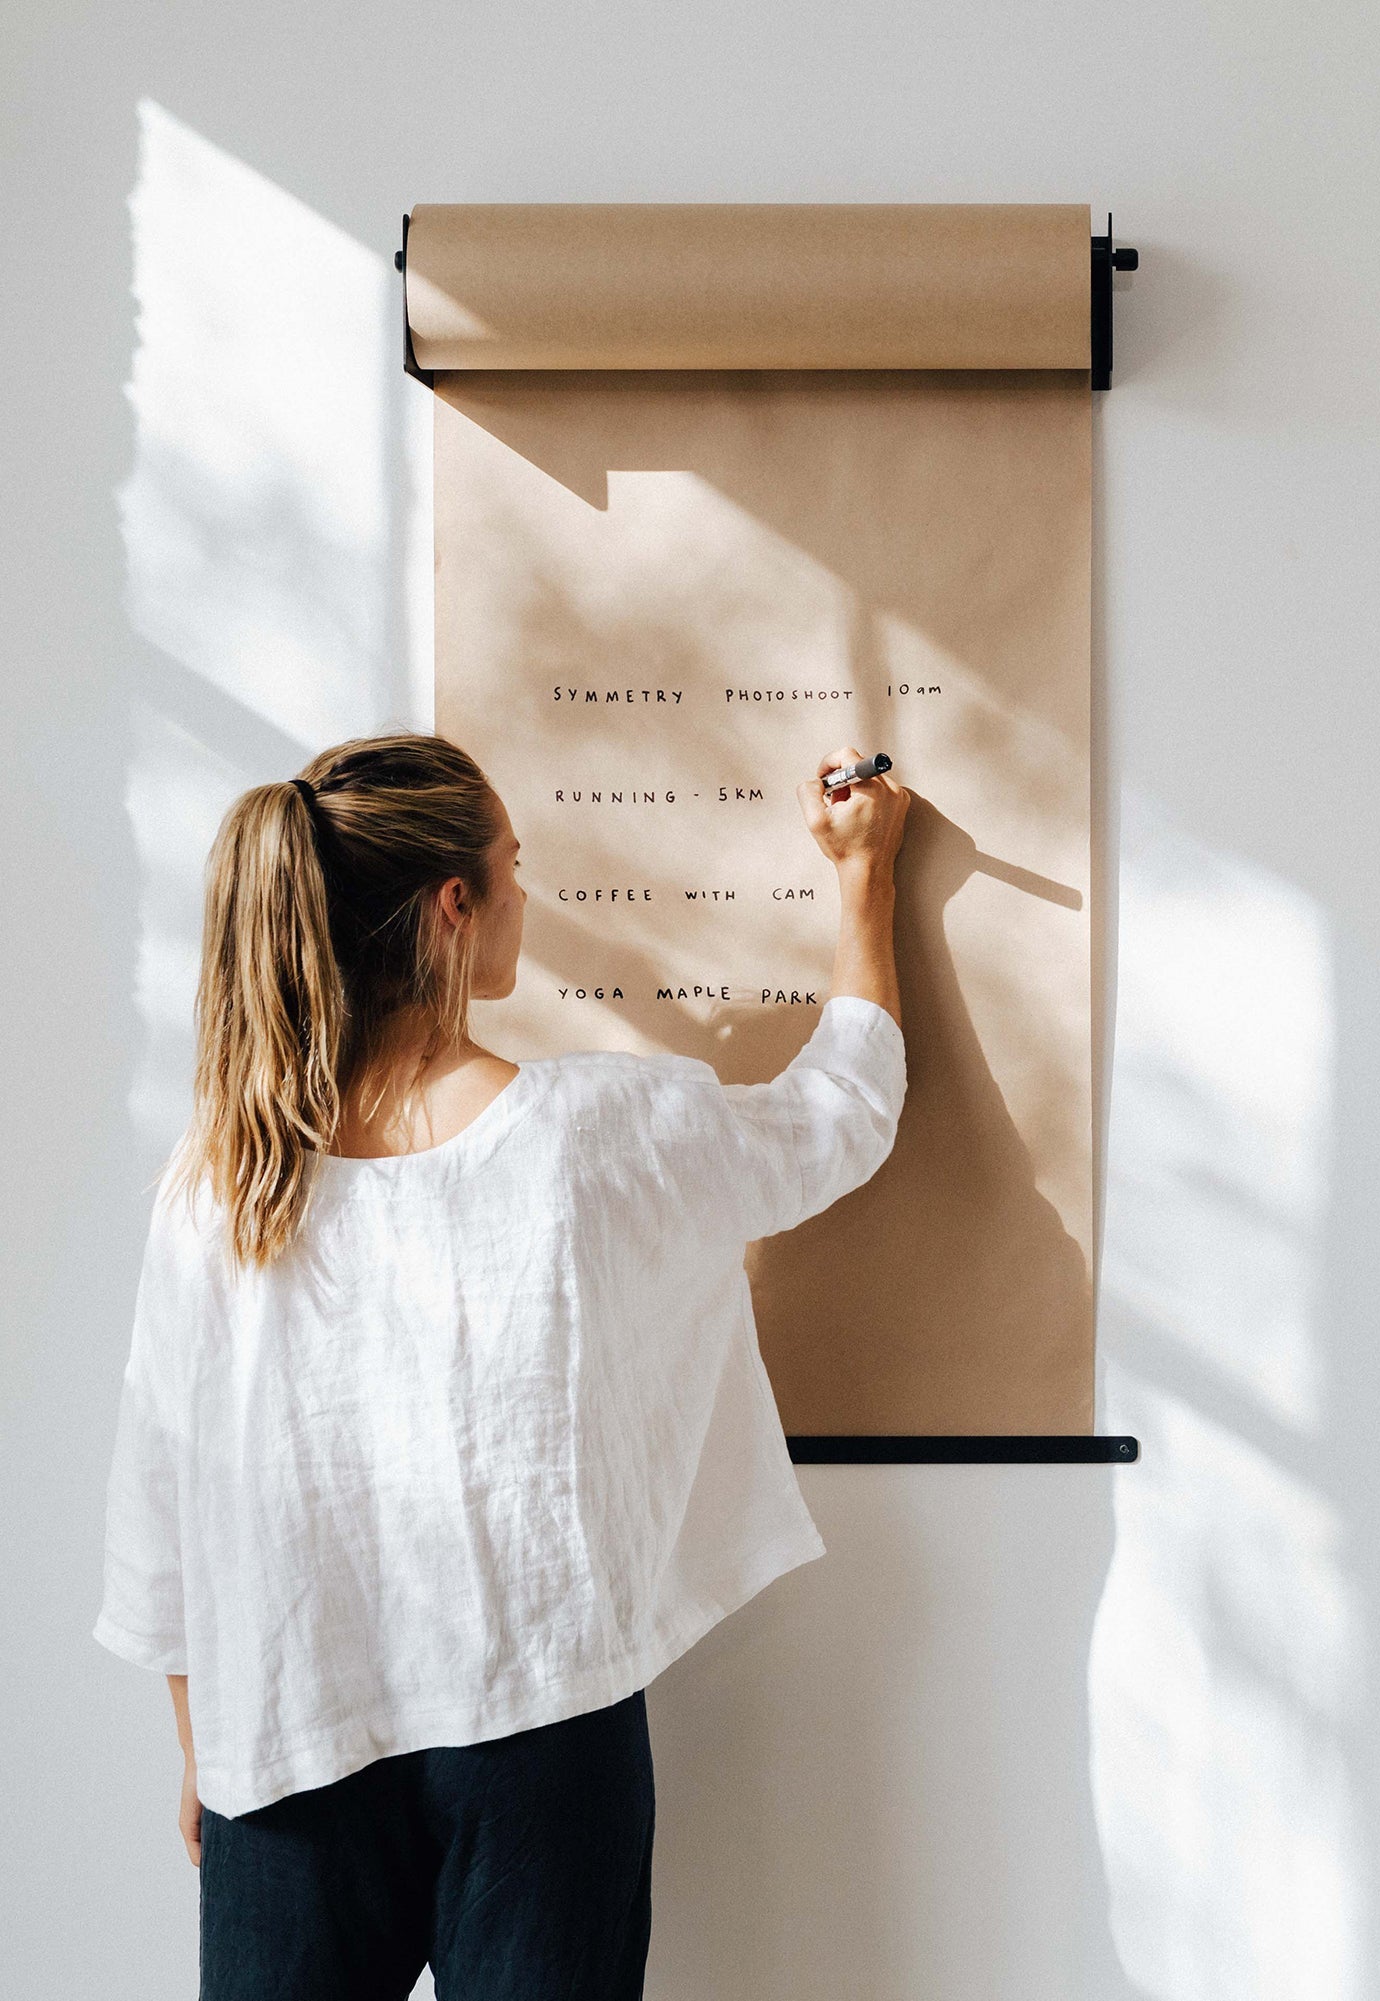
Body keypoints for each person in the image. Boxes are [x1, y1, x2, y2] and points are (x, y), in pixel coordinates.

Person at [93, 732, 909, 1999]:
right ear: (453, 907)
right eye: (514, 868)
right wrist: (866, 885)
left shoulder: (219, 1187)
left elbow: (161, 1497)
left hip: (286, 1725)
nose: (529, 895)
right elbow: (837, 1121)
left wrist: (206, 1748)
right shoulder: (593, 1133)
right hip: (536, 1729)